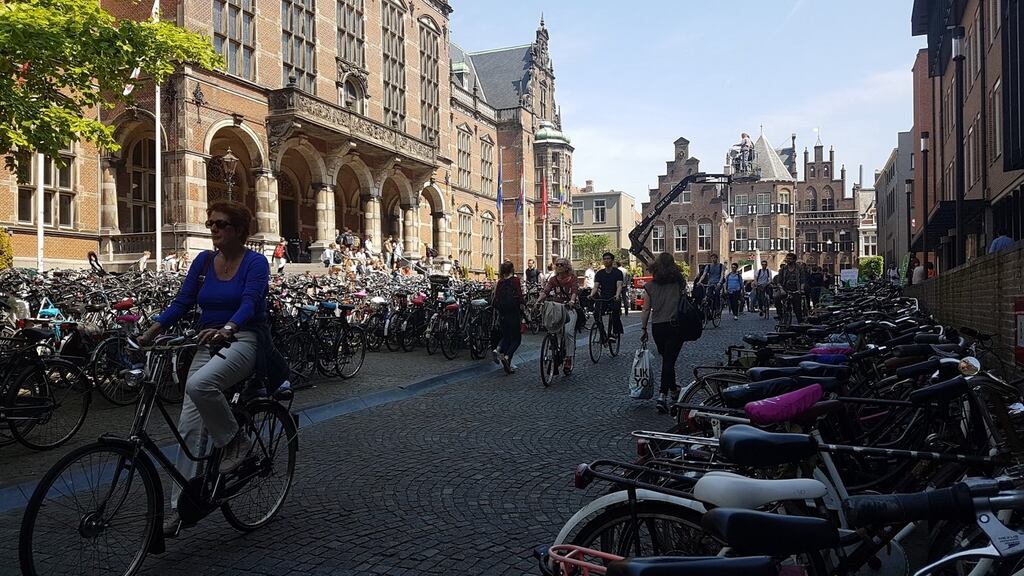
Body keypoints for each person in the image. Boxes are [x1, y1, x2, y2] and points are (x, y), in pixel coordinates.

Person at [138, 201, 272, 538]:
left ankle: (235, 442)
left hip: (243, 338)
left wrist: (228, 327)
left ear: (240, 230)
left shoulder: (255, 262)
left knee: (200, 385)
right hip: (206, 340)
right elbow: (183, 302)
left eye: (222, 224)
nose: (214, 230)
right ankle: (180, 509)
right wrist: (153, 330)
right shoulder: (203, 261)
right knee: (189, 426)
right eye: (211, 223)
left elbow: (250, 301)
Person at [640, 252, 688, 413]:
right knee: (669, 360)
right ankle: (662, 395)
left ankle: (673, 390)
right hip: (675, 325)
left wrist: (643, 328)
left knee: (667, 359)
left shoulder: (650, 286)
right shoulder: (678, 283)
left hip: (658, 327)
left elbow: (646, 309)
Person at [535, 257, 579, 375]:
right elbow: (546, 291)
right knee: (551, 329)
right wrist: (538, 301)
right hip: (556, 308)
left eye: (561, 265)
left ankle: (569, 358)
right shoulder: (553, 279)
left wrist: (572, 301)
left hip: (569, 308)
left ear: (567, 267)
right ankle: (553, 348)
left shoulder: (573, 279)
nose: (559, 266)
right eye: (557, 264)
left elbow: (574, 291)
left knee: (568, 332)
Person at [492, 261, 525, 374]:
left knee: (506, 337)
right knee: (516, 339)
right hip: (513, 312)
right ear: (512, 269)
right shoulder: (515, 280)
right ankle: (507, 357)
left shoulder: (500, 282)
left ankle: (497, 349)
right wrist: (524, 305)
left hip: (502, 313)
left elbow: (496, 297)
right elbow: (519, 296)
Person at [590, 252, 624, 342]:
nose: (606, 260)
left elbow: (619, 285)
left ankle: (615, 332)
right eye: (604, 259)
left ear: (612, 260)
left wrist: (617, 295)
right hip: (603, 297)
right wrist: (591, 294)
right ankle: (603, 334)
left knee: (615, 312)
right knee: (596, 314)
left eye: (608, 258)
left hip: (613, 297)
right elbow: (596, 287)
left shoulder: (618, 273)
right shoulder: (599, 273)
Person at [774, 253, 806, 323]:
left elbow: (802, 280)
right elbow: (779, 281)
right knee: (776, 297)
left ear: (794, 260)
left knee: (797, 308)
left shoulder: (799, 268)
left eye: (790, 259)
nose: (788, 260)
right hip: (785, 290)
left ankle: (800, 322)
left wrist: (801, 289)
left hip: (796, 290)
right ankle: (779, 314)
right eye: (787, 258)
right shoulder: (783, 269)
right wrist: (781, 289)